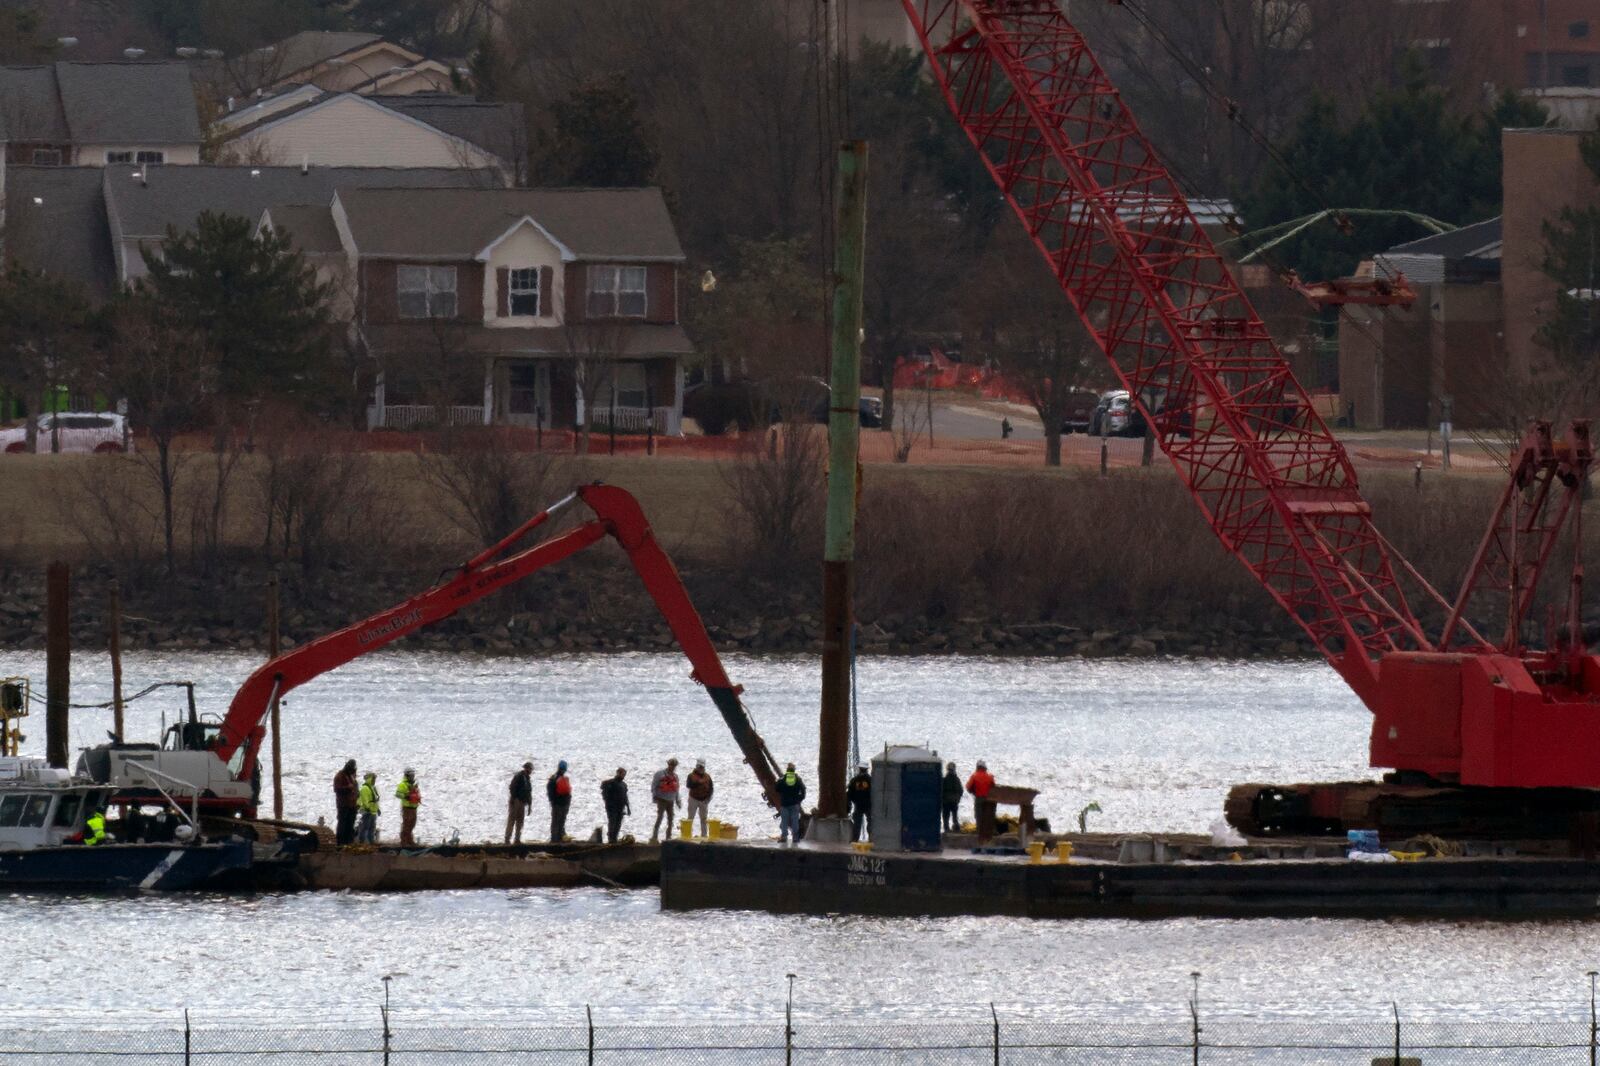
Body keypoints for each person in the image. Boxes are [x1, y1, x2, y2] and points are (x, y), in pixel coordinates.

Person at [650, 758, 681, 844]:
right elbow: (654, 786)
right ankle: (654, 837)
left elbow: (677, 789)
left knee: (671, 819)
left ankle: (668, 837)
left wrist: (678, 801)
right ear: (668, 764)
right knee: (659, 818)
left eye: (674, 765)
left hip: (671, 800)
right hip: (661, 799)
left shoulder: (675, 776)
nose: (672, 767)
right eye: (671, 765)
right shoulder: (659, 774)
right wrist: (654, 796)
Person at [775, 762, 806, 846]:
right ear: (794, 770)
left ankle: (784, 837)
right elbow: (803, 789)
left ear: (787, 770)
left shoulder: (783, 779)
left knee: (784, 821)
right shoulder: (798, 779)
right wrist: (800, 798)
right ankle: (795, 838)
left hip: (784, 804)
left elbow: (777, 788)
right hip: (795, 804)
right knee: (795, 821)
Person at [967, 759, 996, 841]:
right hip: (989, 799)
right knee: (988, 816)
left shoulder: (974, 776)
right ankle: (989, 834)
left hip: (979, 798)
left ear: (977, 767)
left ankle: (980, 834)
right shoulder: (990, 777)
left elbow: (968, 787)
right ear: (985, 767)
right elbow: (994, 787)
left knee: (979, 816)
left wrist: (974, 792)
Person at [600, 767, 631, 844]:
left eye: (624, 775)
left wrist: (628, 807)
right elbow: (605, 794)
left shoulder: (624, 785)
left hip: (621, 807)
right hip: (612, 807)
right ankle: (611, 838)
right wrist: (608, 803)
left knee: (618, 823)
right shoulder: (610, 783)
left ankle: (615, 838)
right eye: (622, 774)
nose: (623, 776)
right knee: (612, 822)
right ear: (618, 773)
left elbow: (625, 796)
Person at [506, 761, 534, 845]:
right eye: (529, 768)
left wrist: (529, 805)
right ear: (525, 768)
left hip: (523, 802)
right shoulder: (519, 776)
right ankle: (507, 839)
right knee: (512, 820)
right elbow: (512, 787)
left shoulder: (528, 779)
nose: (530, 770)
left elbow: (529, 793)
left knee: (520, 821)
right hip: (516, 801)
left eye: (530, 769)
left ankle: (517, 839)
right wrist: (514, 799)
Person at [333, 759, 358, 847]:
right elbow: (336, 789)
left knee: (350, 825)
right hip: (343, 805)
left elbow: (355, 789)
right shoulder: (339, 776)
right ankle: (340, 843)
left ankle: (348, 842)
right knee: (342, 824)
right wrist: (348, 787)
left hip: (352, 805)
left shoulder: (351, 776)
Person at [685, 760, 714, 837]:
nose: (701, 768)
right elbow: (688, 785)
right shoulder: (690, 776)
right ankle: (688, 834)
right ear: (697, 767)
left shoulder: (708, 776)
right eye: (699, 767)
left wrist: (708, 798)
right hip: (693, 799)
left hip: (704, 800)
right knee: (690, 817)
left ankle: (704, 835)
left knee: (704, 818)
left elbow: (711, 788)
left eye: (702, 767)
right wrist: (697, 782)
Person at [547, 760, 573, 843]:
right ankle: (558, 838)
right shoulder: (563, 778)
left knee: (557, 821)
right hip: (563, 804)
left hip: (558, 804)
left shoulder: (554, 778)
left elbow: (550, 792)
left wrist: (552, 802)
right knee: (560, 821)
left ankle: (556, 838)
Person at [395, 768, 422, 846]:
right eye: (411, 775)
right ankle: (404, 841)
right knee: (406, 825)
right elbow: (397, 794)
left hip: (414, 807)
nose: (412, 777)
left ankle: (410, 840)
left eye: (413, 775)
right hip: (407, 808)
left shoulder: (414, 784)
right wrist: (406, 796)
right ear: (407, 776)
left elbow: (416, 793)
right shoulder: (402, 784)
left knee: (412, 824)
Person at [847, 764, 873, 842]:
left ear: (859, 769)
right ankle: (871, 838)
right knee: (871, 821)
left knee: (857, 823)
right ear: (867, 770)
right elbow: (874, 792)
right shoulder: (870, 780)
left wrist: (851, 802)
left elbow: (850, 793)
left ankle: (855, 839)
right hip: (868, 804)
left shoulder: (854, 780)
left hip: (858, 805)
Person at [356, 771, 381, 844]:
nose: (374, 780)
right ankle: (362, 842)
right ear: (370, 779)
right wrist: (368, 808)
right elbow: (365, 800)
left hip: (373, 811)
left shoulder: (372, 788)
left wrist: (378, 809)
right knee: (365, 827)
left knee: (372, 828)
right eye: (373, 779)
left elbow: (374, 800)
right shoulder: (365, 788)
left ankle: (371, 841)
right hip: (367, 811)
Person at [941, 762, 963, 832]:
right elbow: (961, 790)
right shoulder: (957, 779)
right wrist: (958, 799)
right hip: (954, 801)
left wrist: (942, 799)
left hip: (946, 802)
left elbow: (941, 790)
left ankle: (947, 830)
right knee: (955, 817)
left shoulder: (944, 779)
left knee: (945, 817)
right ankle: (956, 829)